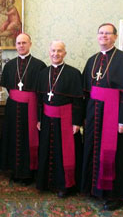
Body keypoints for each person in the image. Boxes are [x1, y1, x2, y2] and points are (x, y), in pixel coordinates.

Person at [81, 23, 123, 210]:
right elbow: (86, 91)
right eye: (101, 33)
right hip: (93, 112)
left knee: (115, 155)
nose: (103, 36)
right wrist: (83, 116)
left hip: (114, 115)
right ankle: (95, 188)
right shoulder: (92, 60)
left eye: (107, 33)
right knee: (92, 148)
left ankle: (116, 194)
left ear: (115, 37)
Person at [36, 41, 84, 198]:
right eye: (53, 51)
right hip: (47, 118)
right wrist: (39, 119)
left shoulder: (73, 73)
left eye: (59, 51)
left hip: (65, 119)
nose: (55, 54)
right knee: (47, 150)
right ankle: (46, 182)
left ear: (65, 53)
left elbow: (78, 101)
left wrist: (76, 122)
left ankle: (65, 185)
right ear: (49, 52)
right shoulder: (43, 73)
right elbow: (39, 99)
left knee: (63, 153)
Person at [0, 33, 46, 185]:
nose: (21, 45)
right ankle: (15, 170)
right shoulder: (10, 65)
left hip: (31, 107)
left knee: (27, 138)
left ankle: (28, 172)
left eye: (24, 42)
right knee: (13, 136)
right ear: (15, 45)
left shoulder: (39, 65)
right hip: (13, 107)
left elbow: (41, 90)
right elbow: (7, 85)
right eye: (18, 43)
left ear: (30, 44)